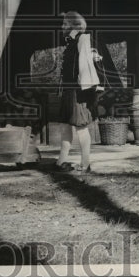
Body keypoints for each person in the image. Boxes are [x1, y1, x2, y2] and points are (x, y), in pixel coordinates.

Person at [54, 11, 103, 174]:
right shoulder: (71, 42)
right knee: (65, 126)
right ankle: (61, 162)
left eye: (64, 24)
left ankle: (85, 164)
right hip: (68, 91)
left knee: (81, 127)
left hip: (78, 91)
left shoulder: (84, 40)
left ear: (72, 25)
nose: (62, 27)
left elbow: (89, 65)